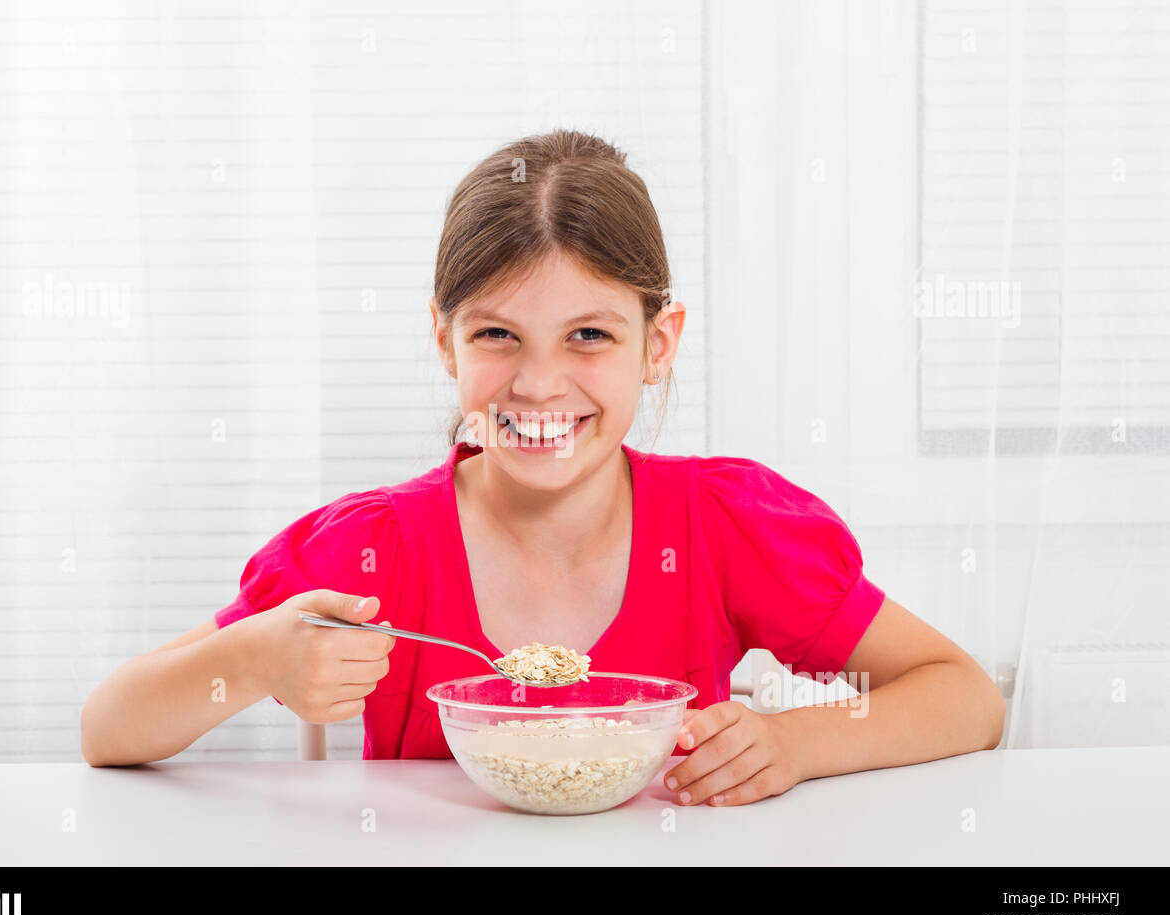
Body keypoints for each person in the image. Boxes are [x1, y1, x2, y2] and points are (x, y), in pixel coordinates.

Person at [80, 129, 1004, 806]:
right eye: (497, 335)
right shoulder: (377, 552)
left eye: (590, 335)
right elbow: (109, 725)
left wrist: (794, 743)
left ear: (659, 342)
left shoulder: (720, 527)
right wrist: (250, 659)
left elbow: (963, 695)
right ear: (445, 342)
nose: (538, 384)